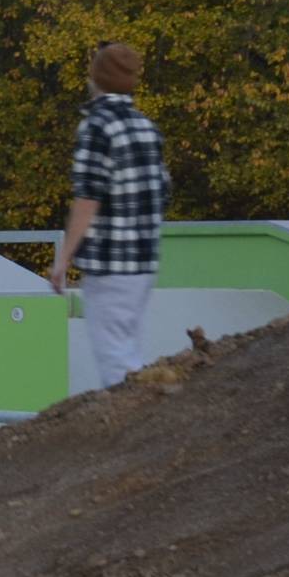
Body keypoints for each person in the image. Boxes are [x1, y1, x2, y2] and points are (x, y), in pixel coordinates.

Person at [49, 41, 170, 388]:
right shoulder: (147, 127)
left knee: (115, 360)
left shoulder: (97, 127)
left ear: (96, 79)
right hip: (144, 261)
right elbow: (162, 190)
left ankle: (137, 434)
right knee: (130, 349)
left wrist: (63, 260)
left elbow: (88, 197)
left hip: (109, 262)